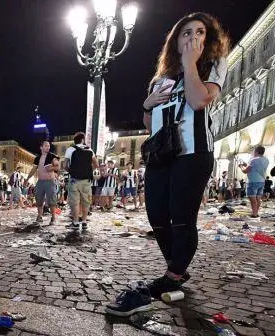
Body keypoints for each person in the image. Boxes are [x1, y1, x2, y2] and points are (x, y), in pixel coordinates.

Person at [107, 12, 229, 317]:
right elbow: (151, 122)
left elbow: (200, 100)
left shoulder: (212, 66)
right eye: (186, 33)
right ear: (175, 40)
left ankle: (174, 274)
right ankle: (177, 266)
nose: (192, 38)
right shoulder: (160, 79)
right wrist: (147, 105)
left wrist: (190, 65)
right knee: (157, 216)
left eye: (199, 32)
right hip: (161, 153)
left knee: (181, 218)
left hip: (193, 151)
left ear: (208, 39)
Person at [63, 132, 98, 229]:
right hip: (86, 180)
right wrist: (89, 171)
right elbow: (96, 164)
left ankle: (75, 222)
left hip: (74, 180)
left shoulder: (70, 149)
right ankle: (84, 221)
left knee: (75, 202)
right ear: (82, 139)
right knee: (86, 201)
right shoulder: (89, 149)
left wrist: (71, 171)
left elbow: (64, 165)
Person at [25, 140, 60, 225]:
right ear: (41, 147)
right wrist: (27, 179)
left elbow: (58, 167)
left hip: (50, 182)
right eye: (46, 146)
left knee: (52, 201)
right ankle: (39, 216)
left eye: (48, 146)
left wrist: (52, 168)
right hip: (40, 182)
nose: (48, 147)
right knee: (39, 200)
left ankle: (53, 218)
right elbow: (34, 169)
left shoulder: (52, 156)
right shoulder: (37, 158)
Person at [239, 146, 269, 218]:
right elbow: (255, 168)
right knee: (258, 198)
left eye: (254, 151)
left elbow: (245, 171)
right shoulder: (266, 160)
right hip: (261, 181)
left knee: (252, 198)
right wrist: (246, 165)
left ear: (256, 152)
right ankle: (256, 212)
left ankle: (254, 214)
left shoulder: (254, 160)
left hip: (253, 181)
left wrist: (241, 166)